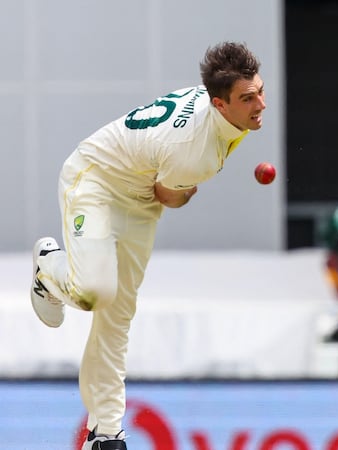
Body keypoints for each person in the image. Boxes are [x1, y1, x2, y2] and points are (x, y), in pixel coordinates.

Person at [30, 41, 266, 450]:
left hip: (138, 196)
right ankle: (48, 268)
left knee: (117, 315)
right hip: (96, 181)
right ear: (220, 104)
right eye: (248, 98)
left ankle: (104, 431)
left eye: (260, 90)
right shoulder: (195, 154)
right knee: (93, 294)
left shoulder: (224, 112)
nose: (260, 103)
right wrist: (188, 191)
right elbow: (168, 195)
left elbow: (155, 187)